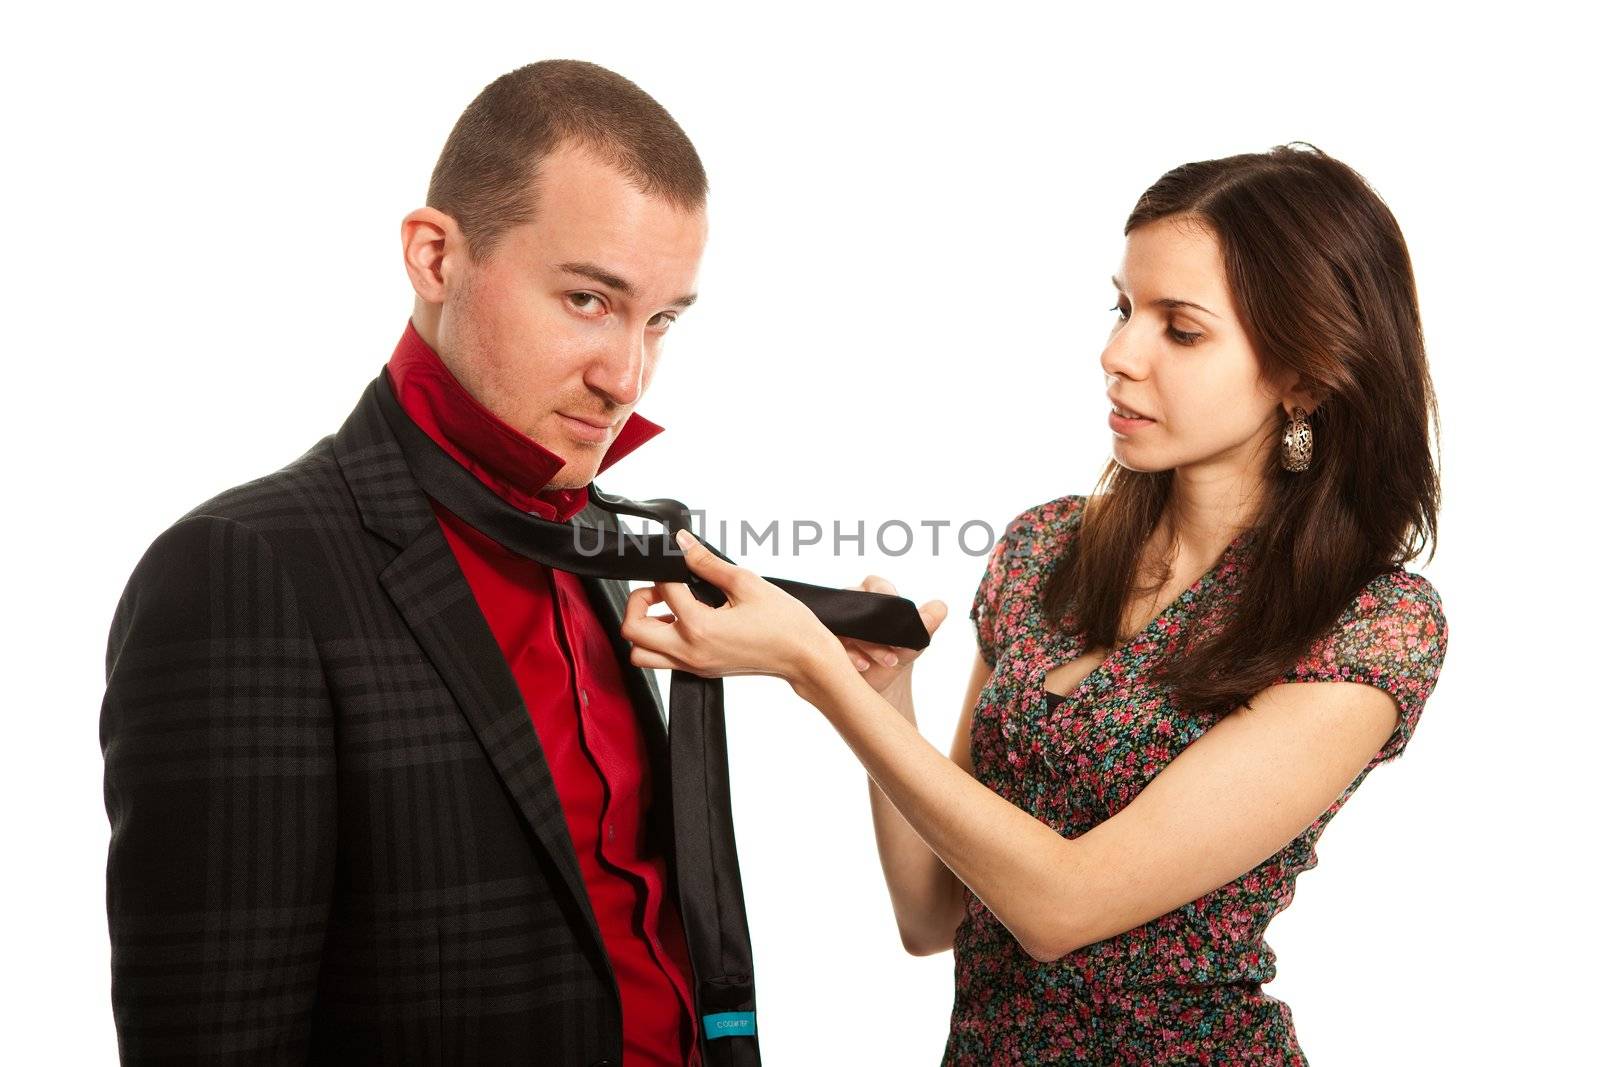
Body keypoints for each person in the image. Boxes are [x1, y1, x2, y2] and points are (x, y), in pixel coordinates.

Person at [620, 143, 1449, 1064]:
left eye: (1181, 328)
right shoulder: (1046, 552)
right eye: (1124, 308)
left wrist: (817, 671)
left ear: (1301, 373)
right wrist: (887, 694)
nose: (1118, 353)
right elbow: (932, 914)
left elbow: (1061, 906)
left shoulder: (1370, 627)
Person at [100, 60, 731, 1065]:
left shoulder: (610, 546)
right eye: (586, 299)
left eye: (660, 319)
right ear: (435, 257)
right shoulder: (239, 573)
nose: (626, 376)